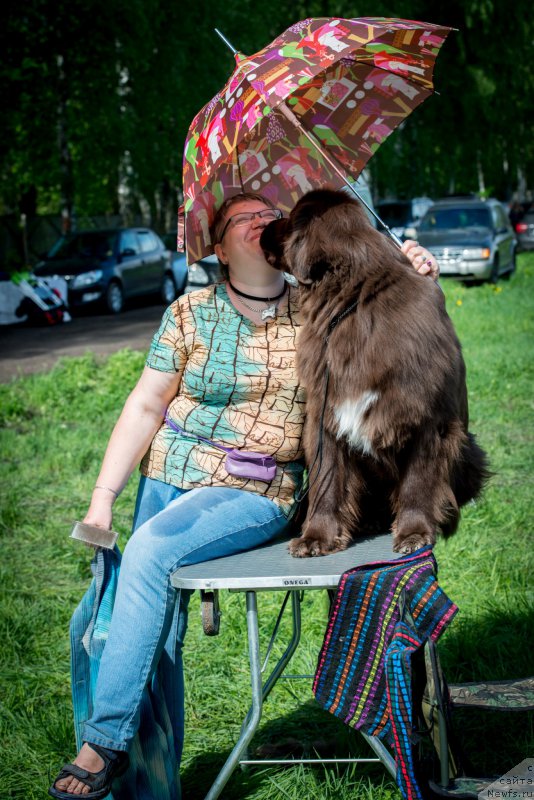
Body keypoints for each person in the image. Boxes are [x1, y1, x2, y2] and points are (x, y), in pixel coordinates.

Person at [49, 191, 439, 799]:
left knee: (150, 553)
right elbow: (147, 404)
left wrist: (413, 271)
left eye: (269, 214)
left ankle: (102, 745)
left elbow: (397, 333)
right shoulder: (188, 312)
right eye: (245, 217)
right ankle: (148, 787)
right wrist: (103, 497)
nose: (264, 220)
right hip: (168, 475)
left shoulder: (318, 305)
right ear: (218, 245)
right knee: (126, 631)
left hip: (252, 487)